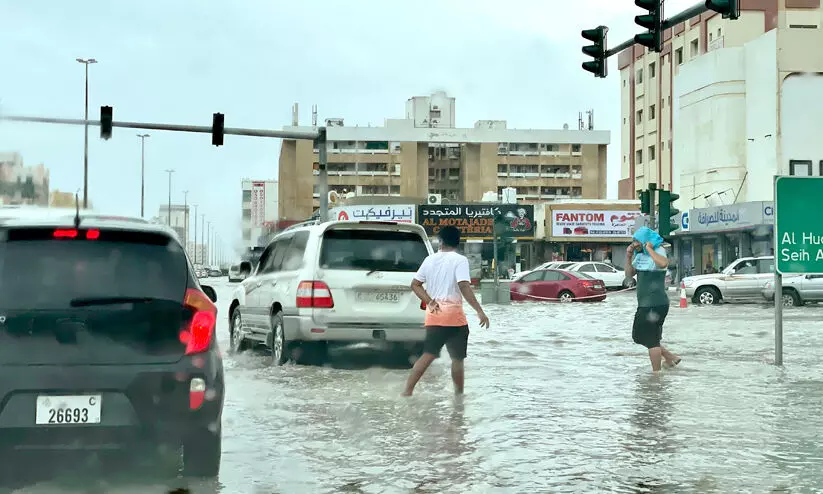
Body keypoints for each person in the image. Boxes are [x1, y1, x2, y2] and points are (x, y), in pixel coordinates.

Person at [402, 226, 490, 397]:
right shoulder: (460, 260)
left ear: (441, 241)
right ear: (458, 242)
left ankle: (407, 392)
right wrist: (479, 311)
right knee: (457, 359)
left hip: (434, 316)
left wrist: (429, 301)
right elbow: (464, 285)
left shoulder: (429, 260)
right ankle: (459, 396)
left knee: (427, 355)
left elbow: (415, 284)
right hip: (454, 318)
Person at [624, 226, 681, 372]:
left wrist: (649, 249)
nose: (634, 244)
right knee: (638, 336)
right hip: (644, 304)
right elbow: (629, 274)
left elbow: (663, 263)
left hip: (655, 303)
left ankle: (656, 376)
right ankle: (670, 357)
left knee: (651, 340)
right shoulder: (639, 256)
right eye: (633, 241)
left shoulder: (658, 251)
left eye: (637, 241)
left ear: (645, 241)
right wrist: (628, 256)